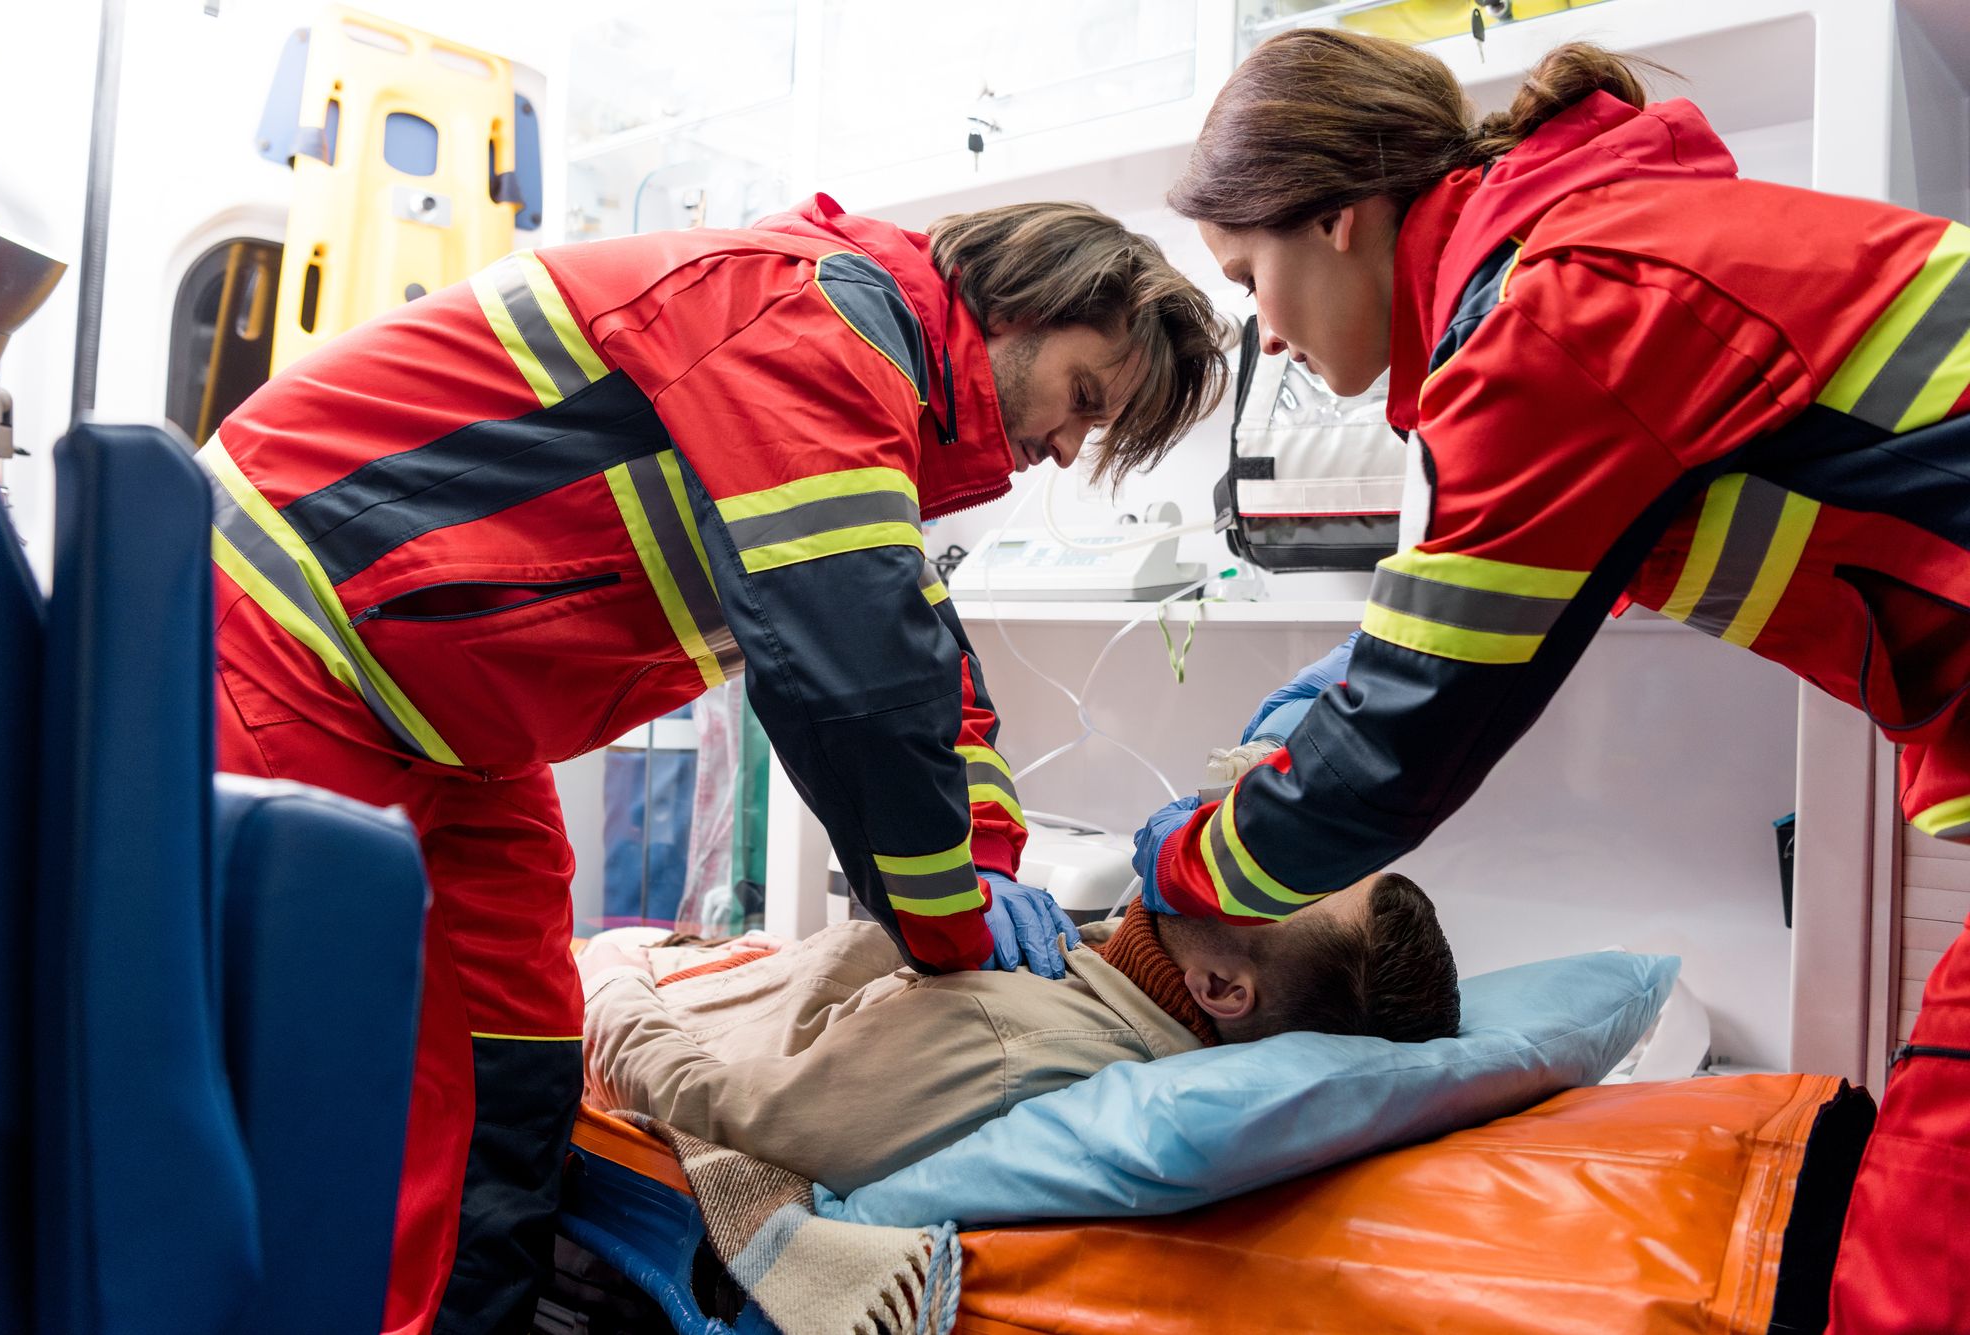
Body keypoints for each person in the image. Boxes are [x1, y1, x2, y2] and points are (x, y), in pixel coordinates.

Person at [202, 194, 1226, 1333]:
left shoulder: (857, 388)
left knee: (520, 1049)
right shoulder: (810, 323)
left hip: (451, 725)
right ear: (1019, 306)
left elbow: (924, 659)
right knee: (312, 1058)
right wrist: (947, 920)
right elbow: (861, 686)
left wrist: (987, 856)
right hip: (288, 636)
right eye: (1082, 398)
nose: (1067, 446)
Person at [1134, 29, 1970, 1331]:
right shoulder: (1574, 260)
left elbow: (1402, 739)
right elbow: (1455, 627)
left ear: (1340, 219)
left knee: (1928, 1234)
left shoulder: (1553, 314)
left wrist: (1175, 870)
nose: (1270, 336)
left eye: (1253, 278)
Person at [579, 871, 1459, 1194]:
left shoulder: (1007, 1042)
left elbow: (722, 1112)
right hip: (718, 968)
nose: (1247, 843)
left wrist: (610, 975)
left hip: (635, 994)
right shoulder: (1103, 973)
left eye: (1284, 882)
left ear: (1223, 987)